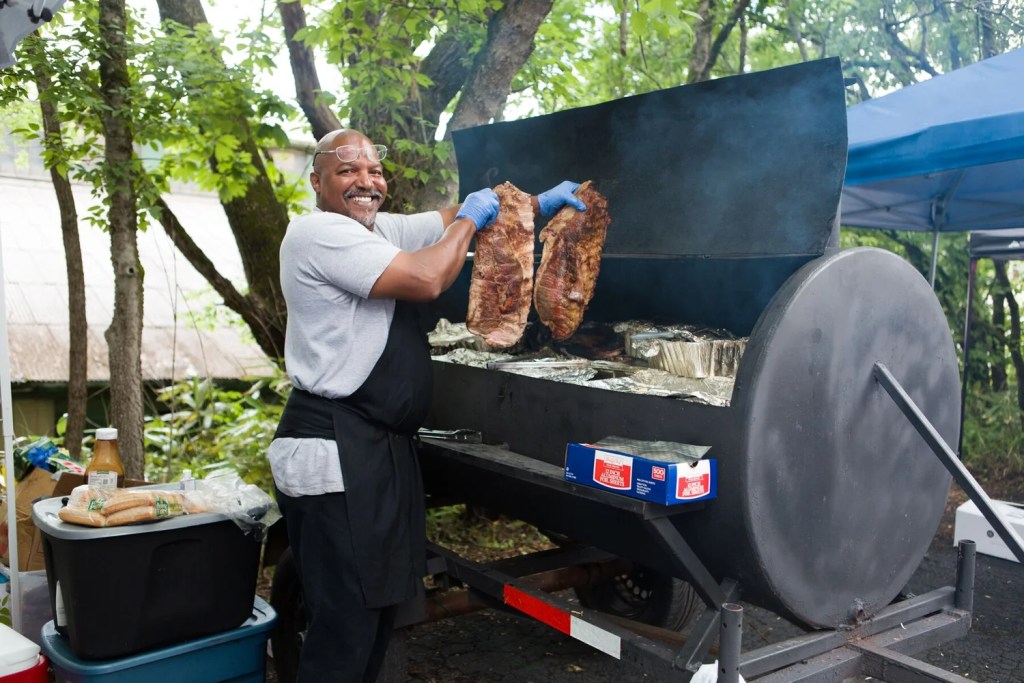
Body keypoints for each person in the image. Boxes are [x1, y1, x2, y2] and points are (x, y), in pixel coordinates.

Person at [269, 127, 586, 682]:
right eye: (347, 171)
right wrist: (471, 219)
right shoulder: (318, 233)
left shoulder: (375, 229)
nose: (365, 181)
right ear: (317, 181)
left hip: (373, 449)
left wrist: (531, 205)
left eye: (373, 170)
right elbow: (427, 276)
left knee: (375, 615)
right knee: (344, 623)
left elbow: (448, 219)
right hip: (334, 448)